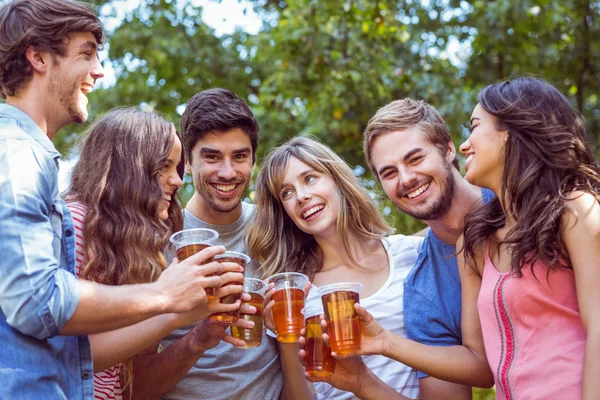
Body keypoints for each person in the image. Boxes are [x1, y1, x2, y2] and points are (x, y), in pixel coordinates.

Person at [0, 2, 226, 398]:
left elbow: (77, 363)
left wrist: (187, 324)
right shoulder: (17, 154)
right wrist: (164, 296)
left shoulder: (32, 159)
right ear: (37, 57)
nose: (99, 71)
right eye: (86, 53)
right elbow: (37, 301)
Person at [312, 98, 495, 399]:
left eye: (415, 158)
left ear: (448, 149)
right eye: (389, 172)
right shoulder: (423, 291)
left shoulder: (517, 201)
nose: (407, 179)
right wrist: (362, 380)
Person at [66, 108, 246, 399]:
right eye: (164, 166)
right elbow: (71, 358)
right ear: (128, 168)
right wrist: (171, 307)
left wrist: (198, 335)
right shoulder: (74, 224)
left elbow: (131, 388)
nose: (176, 181)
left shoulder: (135, 247)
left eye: (177, 168)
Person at [131, 88, 286, 400]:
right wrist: (200, 336)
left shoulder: (279, 228)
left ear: (253, 160)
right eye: (212, 157)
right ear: (187, 163)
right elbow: (137, 388)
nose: (227, 172)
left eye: (240, 156)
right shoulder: (154, 241)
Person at [247, 136, 421, 400]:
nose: (302, 197)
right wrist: (287, 336)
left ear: (337, 180)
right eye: (287, 193)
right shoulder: (297, 296)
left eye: (309, 178)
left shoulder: (410, 254)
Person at [458, 77, 600, 399]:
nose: (465, 145)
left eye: (474, 127)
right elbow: (478, 361)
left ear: (510, 131)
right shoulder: (479, 242)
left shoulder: (575, 210)